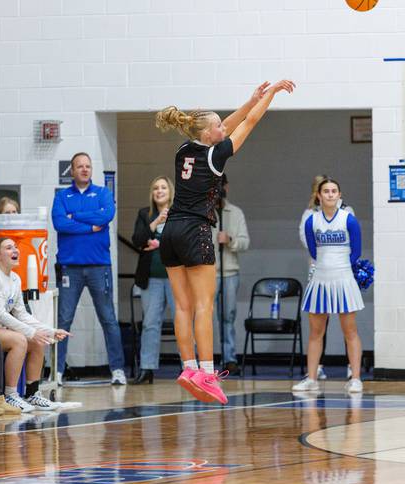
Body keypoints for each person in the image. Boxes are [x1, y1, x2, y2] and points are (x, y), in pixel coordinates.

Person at [155, 79, 295, 404]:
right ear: (209, 134)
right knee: (204, 305)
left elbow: (230, 122)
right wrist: (269, 96)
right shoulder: (217, 156)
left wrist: (249, 99)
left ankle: (188, 367)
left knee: (182, 306)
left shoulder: (183, 150)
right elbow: (249, 122)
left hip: (171, 230)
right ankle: (207, 373)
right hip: (196, 231)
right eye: (219, 125)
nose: (224, 127)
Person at [51, 152, 126, 386]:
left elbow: (107, 215)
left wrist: (76, 217)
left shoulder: (103, 193)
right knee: (63, 320)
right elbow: (59, 223)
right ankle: (58, 372)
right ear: (71, 171)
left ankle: (117, 369)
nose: (84, 169)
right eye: (79, 166)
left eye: (88, 166)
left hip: (99, 266)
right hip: (70, 267)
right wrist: (90, 226)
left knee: (108, 319)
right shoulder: (61, 196)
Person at [0, 237, 75, 411]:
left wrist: (51, 331)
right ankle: (10, 395)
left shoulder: (15, 278)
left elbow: (21, 314)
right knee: (20, 340)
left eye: (15, 247)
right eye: (8, 248)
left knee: (38, 341)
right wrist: (30, 333)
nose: (15, 250)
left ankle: (32, 394)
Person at [293, 178, 365, 393]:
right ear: (319, 196)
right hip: (320, 280)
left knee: (350, 330)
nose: (330, 194)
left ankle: (356, 378)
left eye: (334, 191)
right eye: (326, 191)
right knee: (316, 332)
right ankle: (312, 378)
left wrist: (341, 266)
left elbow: (357, 250)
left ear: (340, 195)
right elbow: (313, 252)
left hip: (343, 279)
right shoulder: (311, 221)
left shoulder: (349, 220)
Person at [131, 175, 175, 384]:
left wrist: (161, 244)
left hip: (177, 278)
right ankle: (147, 368)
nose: (159, 191)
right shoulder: (144, 214)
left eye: (163, 188)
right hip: (151, 278)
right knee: (150, 323)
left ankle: (190, 369)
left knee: (183, 323)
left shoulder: (179, 213)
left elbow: (185, 241)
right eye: (156, 188)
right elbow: (138, 239)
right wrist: (156, 222)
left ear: (170, 191)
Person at [212, 175, 250, 375]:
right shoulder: (204, 213)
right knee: (206, 317)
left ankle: (229, 358)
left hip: (229, 272)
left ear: (226, 186)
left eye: (220, 185)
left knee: (228, 316)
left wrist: (230, 239)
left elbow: (245, 242)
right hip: (208, 274)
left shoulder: (235, 213)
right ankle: (206, 359)